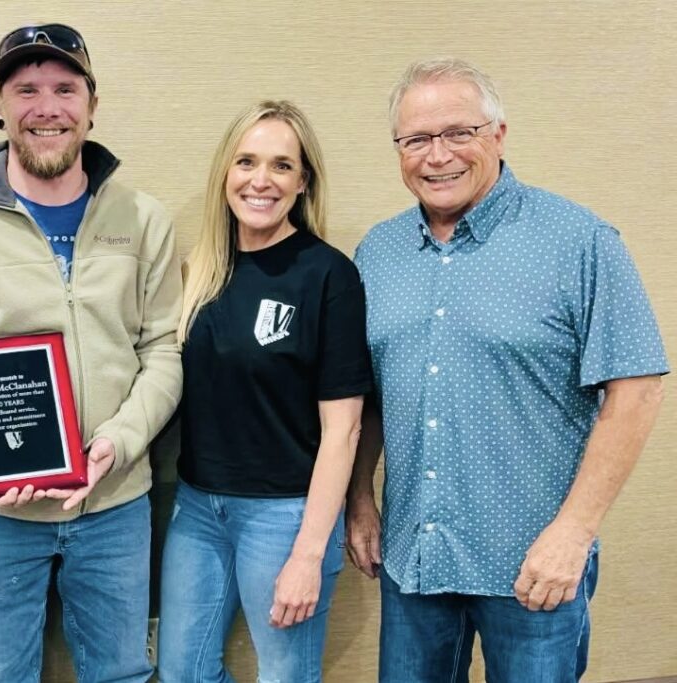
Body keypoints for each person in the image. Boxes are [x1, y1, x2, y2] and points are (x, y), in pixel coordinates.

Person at [348, 57, 668, 682]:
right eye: (416, 139)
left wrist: (574, 534)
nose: (437, 156)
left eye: (458, 133)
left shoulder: (578, 240)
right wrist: (360, 497)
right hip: (415, 554)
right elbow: (370, 396)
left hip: (533, 565)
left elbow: (636, 391)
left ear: (497, 134)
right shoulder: (378, 253)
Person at [0, 23, 182, 682]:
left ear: (92, 104)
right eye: (26, 88)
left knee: (122, 672)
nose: (46, 107)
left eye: (65, 88)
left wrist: (118, 440)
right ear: (0, 106)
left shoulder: (144, 219)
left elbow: (164, 349)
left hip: (115, 502)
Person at [157, 100, 372, 682]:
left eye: (281, 165)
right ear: (224, 173)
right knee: (183, 672)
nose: (260, 180)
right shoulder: (198, 272)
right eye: (246, 161)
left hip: (285, 515)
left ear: (303, 182)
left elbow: (344, 429)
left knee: (284, 676)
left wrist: (307, 553)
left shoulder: (329, 275)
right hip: (198, 510)